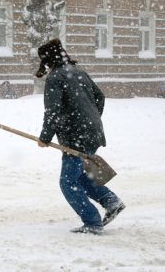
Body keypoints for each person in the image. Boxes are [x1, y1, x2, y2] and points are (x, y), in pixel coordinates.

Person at [36, 38, 125, 235]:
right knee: (78, 176)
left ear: (48, 60)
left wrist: (45, 136)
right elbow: (99, 97)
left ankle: (92, 222)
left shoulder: (55, 78)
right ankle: (111, 201)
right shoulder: (78, 72)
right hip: (91, 130)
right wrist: (91, 119)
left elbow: (53, 111)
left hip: (76, 136)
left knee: (67, 182)